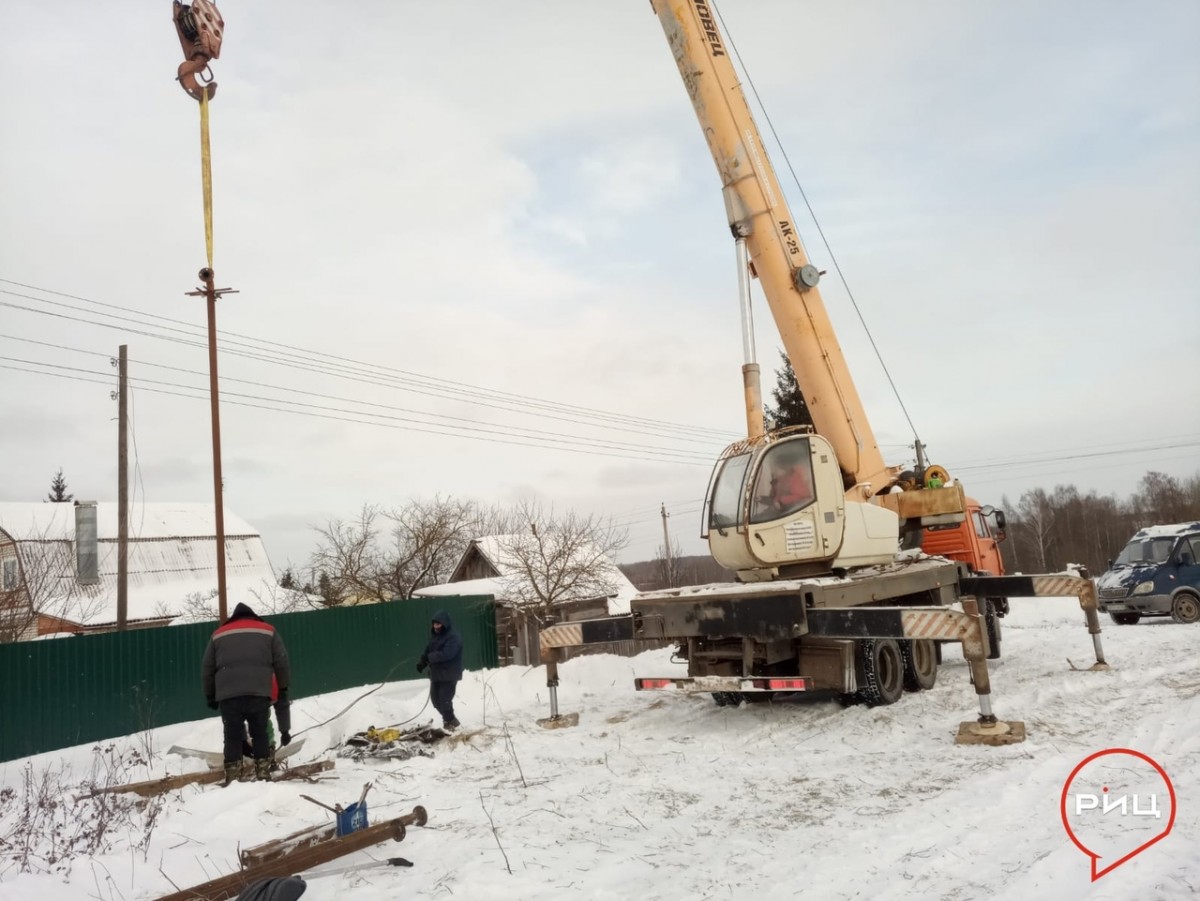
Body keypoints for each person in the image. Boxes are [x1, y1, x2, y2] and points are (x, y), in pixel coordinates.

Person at [201, 602, 292, 784]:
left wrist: (210, 695)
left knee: (232, 735)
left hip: (228, 695)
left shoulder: (218, 634)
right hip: (258, 692)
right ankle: (263, 774)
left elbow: (207, 668)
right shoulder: (268, 630)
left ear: (234, 617)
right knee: (260, 733)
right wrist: (283, 688)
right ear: (253, 616)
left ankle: (233, 778)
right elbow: (282, 662)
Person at [417, 610, 463, 731]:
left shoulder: (453, 637)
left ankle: (450, 722)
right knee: (436, 701)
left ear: (445, 624)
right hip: (437, 674)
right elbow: (429, 650)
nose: (436, 626)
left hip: (449, 673)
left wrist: (430, 657)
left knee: (444, 700)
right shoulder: (435, 637)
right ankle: (450, 720)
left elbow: (447, 654)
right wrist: (423, 661)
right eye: (434, 624)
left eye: (439, 624)